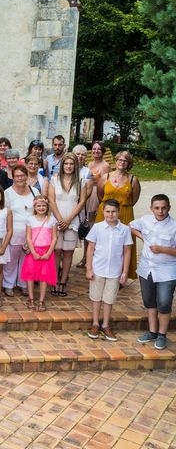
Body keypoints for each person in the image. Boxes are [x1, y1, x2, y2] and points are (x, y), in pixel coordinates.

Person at [131, 194, 176, 350]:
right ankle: (152, 331)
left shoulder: (174, 226)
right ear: (151, 208)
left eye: (164, 207)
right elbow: (132, 226)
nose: (160, 211)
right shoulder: (145, 220)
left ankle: (162, 334)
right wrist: (143, 238)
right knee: (149, 301)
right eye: (157, 208)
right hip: (146, 269)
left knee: (164, 302)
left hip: (167, 271)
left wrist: (163, 249)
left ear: (169, 207)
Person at [85, 199, 132, 342]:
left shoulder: (124, 229)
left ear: (119, 212)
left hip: (114, 271)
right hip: (98, 269)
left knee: (109, 299)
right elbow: (90, 248)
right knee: (96, 297)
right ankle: (95, 323)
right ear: (103, 212)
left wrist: (124, 272)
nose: (110, 214)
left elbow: (127, 251)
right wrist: (89, 268)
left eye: (113, 212)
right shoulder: (97, 228)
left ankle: (105, 325)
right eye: (107, 211)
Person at [96, 150, 140, 279]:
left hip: (125, 213)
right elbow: (100, 195)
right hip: (105, 213)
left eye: (125, 161)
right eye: (120, 160)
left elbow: (134, 199)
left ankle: (121, 274)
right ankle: (100, 271)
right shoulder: (106, 177)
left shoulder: (133, 180)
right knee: (102, 244)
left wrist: (122, 207)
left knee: (123, 245)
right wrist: (107, 209)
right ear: (116, 161)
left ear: (129, 164)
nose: (122, 163)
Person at [48, 153, 87, 297]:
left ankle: (63, 281)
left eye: (71, 164)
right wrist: (59, 219)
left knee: (68, 252)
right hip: (57, 220)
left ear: (75, 165)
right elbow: (51, 200)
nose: (69, 166)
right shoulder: (54, 180)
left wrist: (69, 220)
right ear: (62, 165)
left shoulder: (81, 182)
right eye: (66, 164)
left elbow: (81, 202)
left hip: (72, 221)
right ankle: (54, 280)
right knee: (56, 250)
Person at [4, 165, 40, 296]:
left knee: (27, 260)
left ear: (26, 176)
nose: (20, 178)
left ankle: (24, 284)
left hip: (31, 233)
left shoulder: (35, 192)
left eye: (22, 175)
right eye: (17, 176)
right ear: (13, 177)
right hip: (14, 231)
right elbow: (5, 213)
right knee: (11, 260)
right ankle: (8, 284)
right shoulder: (7, 193)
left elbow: (39, 211)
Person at [20, 195, 58, 311]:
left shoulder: (52, 220)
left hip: (46, 251)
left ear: (47, 206)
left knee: (44, 276)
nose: (41, 208)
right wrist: (33, 252)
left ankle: (41, 300)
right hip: (34, 251)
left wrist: (48, 253)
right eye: (38, 205)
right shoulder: (30, 220)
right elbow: (28, 237)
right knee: (30, 275)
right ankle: (31, 298)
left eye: (43, 206)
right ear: (34, 206)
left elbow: (54, 238)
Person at [72, 144, 93, 268]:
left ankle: (85, 257)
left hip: (80, 206)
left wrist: (78, 200)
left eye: (83, 155)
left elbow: (88, 191)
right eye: (78, 154)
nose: (80, 156)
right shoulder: (66, 168)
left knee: (81, 233)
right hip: (66, 206)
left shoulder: (87, 172)